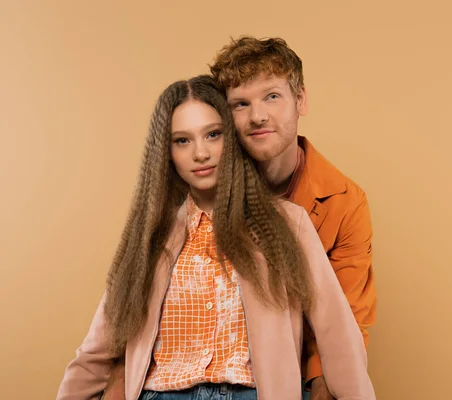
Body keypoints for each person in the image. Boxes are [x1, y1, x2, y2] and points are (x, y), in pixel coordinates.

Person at [56, 75, 375, 400]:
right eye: (182, 140)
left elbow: (338, 337)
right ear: (166, 152)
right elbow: (95, 352)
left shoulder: (288, 224)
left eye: (213, 135)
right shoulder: (152, 236)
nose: (200, 153)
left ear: (233, 138)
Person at [209, 36, 377, 400]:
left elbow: (347, 318)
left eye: (272, 96)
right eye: (240, 104)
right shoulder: (204, 187)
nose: (257, 116)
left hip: (293, 375)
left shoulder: (346, 202)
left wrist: (321, 387)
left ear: (300, 100)